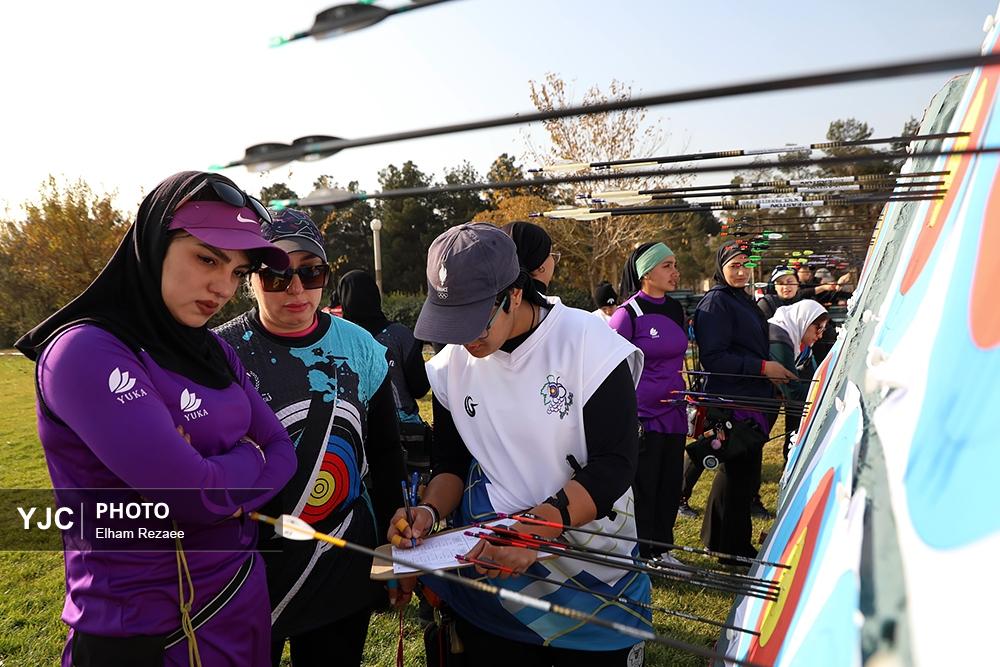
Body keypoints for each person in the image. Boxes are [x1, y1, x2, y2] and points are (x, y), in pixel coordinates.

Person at [14, 171, 297, 666]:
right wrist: (245, 460)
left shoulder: (213, 351)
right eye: (207, 258)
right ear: (153, 244)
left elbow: (283, 452)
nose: (222, 286)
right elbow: (192, 496)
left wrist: (214, 473)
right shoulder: (86, 351)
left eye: (235, 271)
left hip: (238, 601)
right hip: (147, 632)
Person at [389, 223, 650, 666]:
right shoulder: (455, 361)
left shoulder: (591, 344)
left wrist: (535, 531)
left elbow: (614, 465)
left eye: (474, 321)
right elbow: (451, 463)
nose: (464, 339)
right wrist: (428, 513)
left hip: (589, 577)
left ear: (512, 294)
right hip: (488, 584)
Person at [214, 209, 405, 667]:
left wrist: (392, 537)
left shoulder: (362, 347)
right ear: (250, 279)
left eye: (311, 272)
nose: (296, 289)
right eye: (277, 275)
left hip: (340, 562)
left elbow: (383, 452)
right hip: (249, 567)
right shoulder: (218, 353)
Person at [693, 241, 795, 561]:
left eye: (745, 265)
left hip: (752, 395)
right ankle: (730, 547)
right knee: (739, 475)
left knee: (740, 474)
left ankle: (722, 541)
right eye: (734, 265)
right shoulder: (716, 303)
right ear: (721, 267)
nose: (741, 271)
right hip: (732, 398)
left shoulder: (743, 300)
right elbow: (714, 357)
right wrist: (763, 368)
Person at [609, 243, 688, 567]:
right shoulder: (625, 315)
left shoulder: (676, 309)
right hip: (642, 418)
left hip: (675, 413)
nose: (674, 271)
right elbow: (610, 371)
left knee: (670, 484)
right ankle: (641, 552)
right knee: (644, 487)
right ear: (646, 273)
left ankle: (663, 548)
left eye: (674, 264)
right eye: (667, 265)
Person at [337, 268, 431, 469]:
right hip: (406, 436)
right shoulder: (400, 335)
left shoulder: (340, 340)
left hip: (357, 436)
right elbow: (420, 388)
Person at [767, 300, 830, 460]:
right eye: (818, 328)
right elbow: (793, 391)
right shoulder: (779, 339)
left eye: (823, 329)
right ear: (805, 321)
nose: (820, 335)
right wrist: (824, 398)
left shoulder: (793, 336)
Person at [502, 221, 558, 293]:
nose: (553, 259)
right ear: (540, 267)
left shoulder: (490, 299)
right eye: (550, 253)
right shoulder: (552, 303)